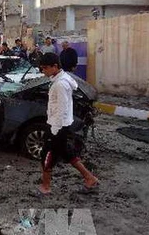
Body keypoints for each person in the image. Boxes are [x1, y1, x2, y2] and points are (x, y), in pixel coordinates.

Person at [36, 53, 98, 196]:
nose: (43, 71)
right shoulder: (62, 78)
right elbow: (73, 87)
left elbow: (62, 109)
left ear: (55, 66)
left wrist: (55, 130)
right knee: (67, 153)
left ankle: (45, 187)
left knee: (47, 155)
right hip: (60, 125)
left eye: (45, 68)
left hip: (57, 126)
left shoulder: (60, 84)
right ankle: (90, 178)